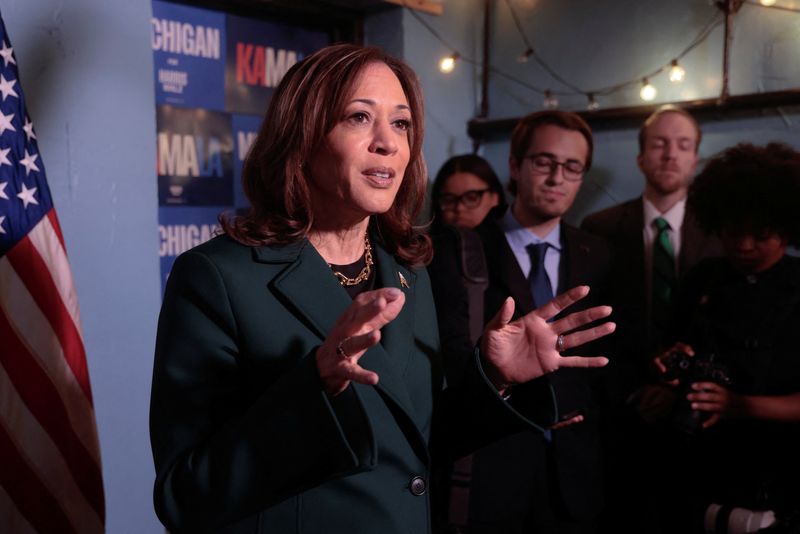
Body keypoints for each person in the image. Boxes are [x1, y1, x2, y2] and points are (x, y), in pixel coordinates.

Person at [149, 44, 615, 534]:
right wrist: (316, 386)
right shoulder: (216, 277)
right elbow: (184, 494)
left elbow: (413, 447)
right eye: (358, 117)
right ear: (301, 136)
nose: (387, 143)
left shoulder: (409, 271)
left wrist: (494, 377)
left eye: (401, 124)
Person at [429, 111, 611, 533]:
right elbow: (449, 358)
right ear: (515, 165)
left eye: (571, 167)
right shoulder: (461, 251)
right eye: (543, 163)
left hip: (575, 475)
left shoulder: (597, 254)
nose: (556, 178)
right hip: (491, 469)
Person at [580, 106, 721, 533]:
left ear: (695, 158)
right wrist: (635, 389)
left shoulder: (718, 231)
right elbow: (594, 325)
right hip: (621, 412)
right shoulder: (600, 227)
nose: (670, 155)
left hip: (699, 414)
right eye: (659, 144)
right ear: (641, 158)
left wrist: (678, 387)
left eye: (683, 146)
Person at [653, 142, 800, 532]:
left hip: (780, 482)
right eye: (734, 232)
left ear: (786, 230)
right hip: (698, 474)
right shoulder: (703, 278)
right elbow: (672, 348)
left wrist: (743, 406)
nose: (744, 245)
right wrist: (669, 372)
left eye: (761, 235)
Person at [430, 154, 506, 231]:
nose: (459, 208)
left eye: (471, 198)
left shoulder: (512, 241)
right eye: (449, 201)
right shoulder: (424, 242)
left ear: (495, 198)